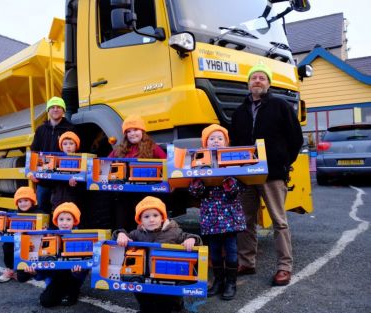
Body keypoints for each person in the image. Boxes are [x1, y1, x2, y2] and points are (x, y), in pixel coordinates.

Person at [230, 63, 303, 286]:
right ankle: (247, 262)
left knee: (279, 222)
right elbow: (233, 145)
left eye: (262, 78)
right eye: (254, 78)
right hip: (246, 175)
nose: (258, 81)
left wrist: (282, 162)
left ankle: (284, 267)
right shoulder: (239, 112)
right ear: (248, 84)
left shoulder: (280, 106)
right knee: (245, 221)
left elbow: (295, 139)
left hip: (272, 174)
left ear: (268, 83)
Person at [114, 196, 202, 313]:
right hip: (145, 276)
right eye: (146, 216)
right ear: (140, 220)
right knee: (145, 299)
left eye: (155, 215)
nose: (151, 220)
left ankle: (177, 309)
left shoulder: (173, 232)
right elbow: (121, 235)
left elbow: (193, 238)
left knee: (170, 301)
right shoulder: (137, 233)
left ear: (162, 217)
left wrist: (192, 240)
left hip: (168, 275)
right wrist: (121, 234)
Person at [188, 124, 246, 300]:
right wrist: (199, 182)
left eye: (220, 138)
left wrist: (228, 178)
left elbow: (239, 188)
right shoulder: (199, 162)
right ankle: (218, 281)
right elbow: (194, 192)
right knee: (214, 251)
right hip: (211, 216)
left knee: (231, 250)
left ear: (226, 143)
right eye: (211, 138)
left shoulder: (232, 161)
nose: (216, 141)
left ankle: (231, 283)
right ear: (205, 143)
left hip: (229, 215)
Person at [108, 115, 167, 230]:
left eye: (135, 130)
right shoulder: (119, 149)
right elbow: (105, 165)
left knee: (142, 227)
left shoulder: (153, 148)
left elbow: (166, 165)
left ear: (142, 131)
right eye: (128, 131)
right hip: (124, 195)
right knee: (124, 225)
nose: (132, 134)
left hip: (145, 195)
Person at [25, 202, 88, 307]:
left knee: (73, 277)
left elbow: (86, 264)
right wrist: (35, 273)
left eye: (68, 219)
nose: (64, 223)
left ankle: (73, 291)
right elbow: (43, 264)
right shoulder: (49, 236)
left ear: (75, 221)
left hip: (72, 276)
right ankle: (58, 289)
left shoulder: (80, 237)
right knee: (46, 302)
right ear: (56, 221)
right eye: (61, 219)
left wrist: (78, 272)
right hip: (56, 277)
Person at [28, 96, 75, 214]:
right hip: (43, 181)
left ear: (63, 110)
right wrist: (31, 171)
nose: (55, 109)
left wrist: (74, 176)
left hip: (62, 182)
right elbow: (34, 152)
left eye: (59, 107)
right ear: (48, 111)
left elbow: (77, 154)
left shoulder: (71, 128)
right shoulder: (40, 130)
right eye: (52, 107)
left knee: (61, 213)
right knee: (42, 212)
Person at [0, 186, 44, 283]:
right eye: (20, 201)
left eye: (26, 200)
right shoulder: (15, 214)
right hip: (18, 242)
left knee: (22, 278)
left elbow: (46, 227)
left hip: (33, 245)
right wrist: (1, 215)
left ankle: (34, 270)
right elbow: (6, 221)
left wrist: (44, 228)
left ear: (32, 201)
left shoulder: (40, 213)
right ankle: (10, 269)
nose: (23, 204)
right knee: (7, 244)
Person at [50, 131, 87, 225]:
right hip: (58, 197)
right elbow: (52, 179)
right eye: (65, 144)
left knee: (73, 219)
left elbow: (85, 180)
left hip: (73, 198)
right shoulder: (56, 160)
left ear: (76, 145)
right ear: (61, 146)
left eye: (71, 143)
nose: (68, 146)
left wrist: (76, 183)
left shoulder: (82, 160)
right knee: (59, 219)